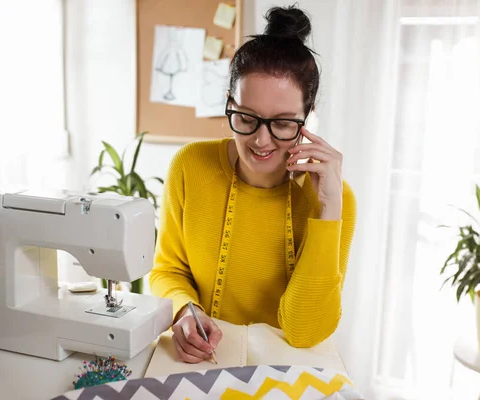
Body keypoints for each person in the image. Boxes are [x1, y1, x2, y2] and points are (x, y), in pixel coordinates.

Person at [149, 4, 357, 364]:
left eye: (282, 123)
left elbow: (304, 332)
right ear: (230, 104)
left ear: (308, 118)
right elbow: (168, 270)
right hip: (200, 364)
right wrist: (185, 311)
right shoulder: (189, 167)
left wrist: (329, 213)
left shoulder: (333, 198)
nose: (262, 141)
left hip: (286, 371)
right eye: (246, 117)